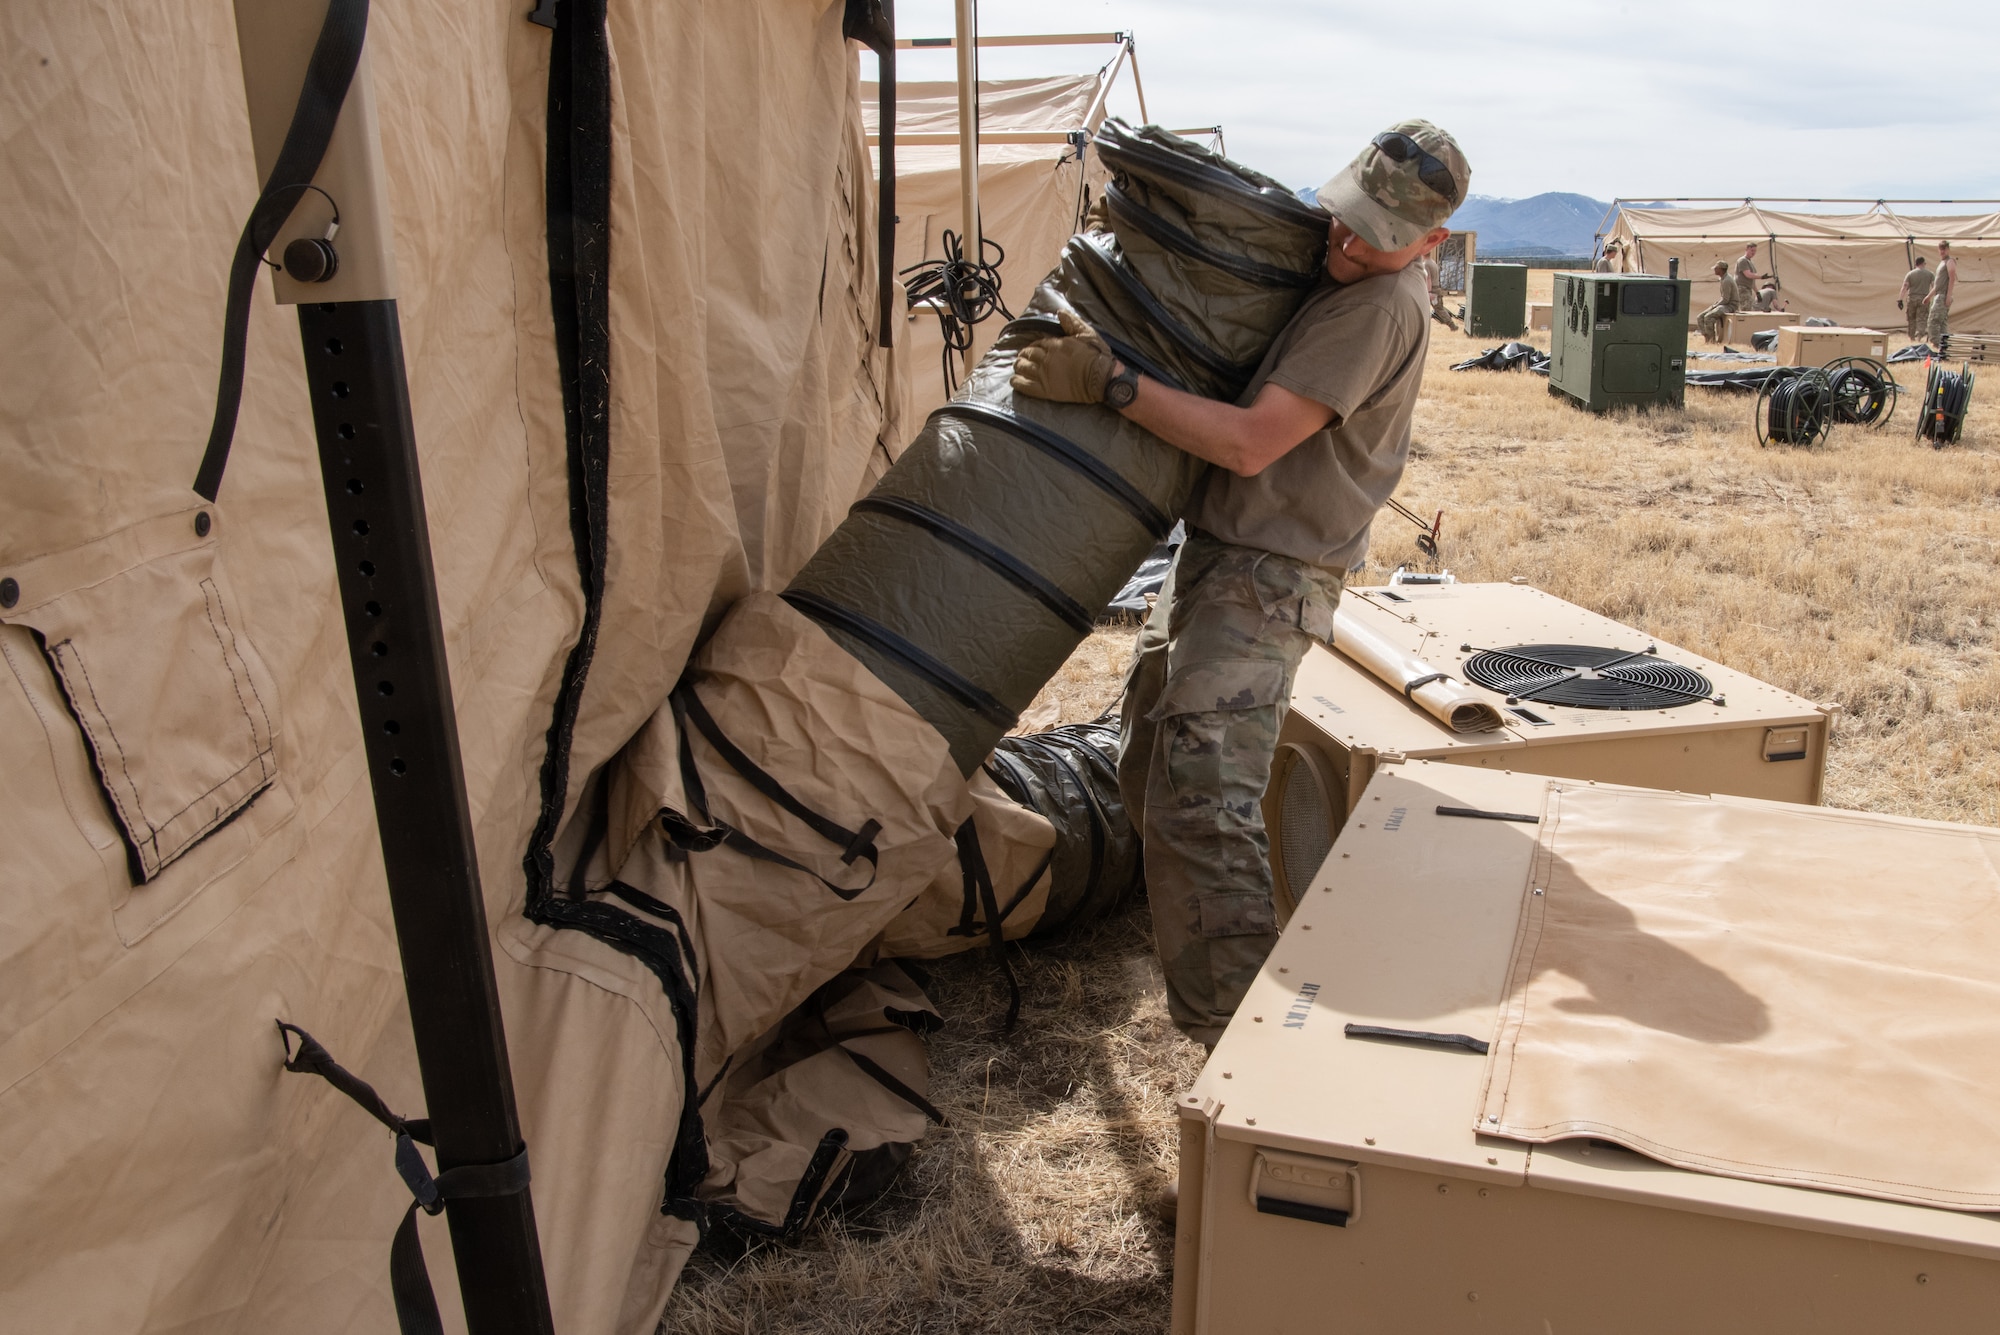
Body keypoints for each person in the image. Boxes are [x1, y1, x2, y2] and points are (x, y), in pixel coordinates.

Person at [1010, 119, 1469, 1045]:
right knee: (1149, 764)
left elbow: (1250, 440)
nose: (1346, 241)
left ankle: (1243, 1057)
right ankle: (1204, 957)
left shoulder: (1377, 309)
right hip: (1218, 556)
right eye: (1345, 217)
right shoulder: (1343, 275)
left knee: (1201, 801)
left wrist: (1113, 384)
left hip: (1268, 576)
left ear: (1431, 244)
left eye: (1376, 237)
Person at [1697, 261, 1739, 343]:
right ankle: (1707, 338)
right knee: (1700, 317)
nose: (1714, 270)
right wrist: (1715, 305)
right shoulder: (1723, 278)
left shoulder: (1727, 280)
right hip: (1725, 304)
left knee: (1708, 317)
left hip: (1730, 305)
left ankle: (1712, 341)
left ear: (1721, 270)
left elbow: (1726, 300)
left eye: (1716, 268)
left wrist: (1715, 306)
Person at [1927, 240, 1957, 348]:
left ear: (1948, 249)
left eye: (1944, 248)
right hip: (1938, 295)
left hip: (1943, 295)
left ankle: (1937, 344)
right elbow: (1937, 284)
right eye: (1940, 249)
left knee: (1933, 321)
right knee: (1942, 323)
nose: (1942, 251)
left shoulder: (1950, 262)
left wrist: (1948, 296)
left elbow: (1952, 279)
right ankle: (1944, 346)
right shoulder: (1942, 263)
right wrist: (1929, 296)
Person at [1899, 256, 1934, 344]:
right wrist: (1932, 297)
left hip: (1912, 298)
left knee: (1911, 318)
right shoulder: (1930, 274)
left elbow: (1905, 287)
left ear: (1916, 264)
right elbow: (1934, 287)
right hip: (1924, 298)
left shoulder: (1910, 274)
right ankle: (1919, 336)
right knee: (1922, 318)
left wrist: (1900, 299)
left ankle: (1911, 337)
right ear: (1923, 263)